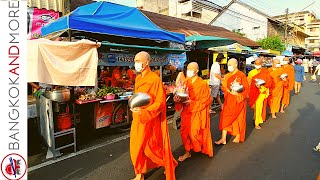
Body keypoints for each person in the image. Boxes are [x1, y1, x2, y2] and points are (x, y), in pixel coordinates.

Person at [130, 51, 177, 180]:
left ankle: (169, 164)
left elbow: (160, 103)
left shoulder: (155, 79)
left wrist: (145, 112)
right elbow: (139, 97)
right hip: (138, 119)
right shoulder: (138, 78)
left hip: (150, 120)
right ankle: (139, 174)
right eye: (135, 61)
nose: (136, 64)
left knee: (151, 148)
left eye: (138, 61)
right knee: (136, 147)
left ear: (146, 63)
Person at [173, 62, 213, 162]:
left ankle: (201, 146)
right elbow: (181, 97)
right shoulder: (185, 82)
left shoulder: (202, 84)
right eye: (188, 69)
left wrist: (192, 102)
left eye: (191, 69)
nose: (189, 71)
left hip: (197, 112)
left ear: (197, 71)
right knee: (184, 132)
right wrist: (177, 99)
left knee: (195, 133)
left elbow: (206, 100)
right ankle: (187, 152)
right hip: (187, 112)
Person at [215, 58, 249, 144]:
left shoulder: (241, 75)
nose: (229, 67)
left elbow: (246, 89)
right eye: (228, 65)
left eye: (230, 65)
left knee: (239, 118)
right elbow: (224, 87)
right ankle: (223, 138)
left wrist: (239, 95)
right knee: (225, 118)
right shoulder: (228, 75)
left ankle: (238, 135)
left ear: (235, 65)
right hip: (229, 100)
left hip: (239, 100)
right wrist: (228, 90)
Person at [247, 58, 273, 129]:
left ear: (261, 64)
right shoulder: (251, 73)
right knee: (253, 107)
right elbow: (248, 82)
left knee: (259, 108)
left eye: (258, 64)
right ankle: (255, 117)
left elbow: (269, 82)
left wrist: (262, 87)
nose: (257, 65)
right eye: (256, 64)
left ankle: (257, 123)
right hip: (252, 91)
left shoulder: (265, 72)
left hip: (261, 92)